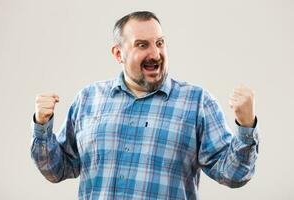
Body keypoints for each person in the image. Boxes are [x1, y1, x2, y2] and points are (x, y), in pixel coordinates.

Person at [31, 11, 259, 200]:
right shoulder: (88, 99)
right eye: (142, 45)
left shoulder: (197, 103)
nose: (155, 53)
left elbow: (233, 175)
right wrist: (42, 126)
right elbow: (58, 169)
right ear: (118, 53)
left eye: (160, 43)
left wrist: (246, 125)